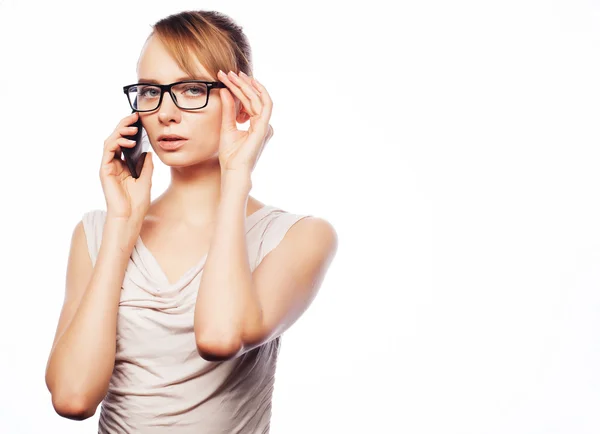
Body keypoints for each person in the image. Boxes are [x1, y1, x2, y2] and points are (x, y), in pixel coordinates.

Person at [44, 9, 338, 434]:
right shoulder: (95, 233)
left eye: (191, 89)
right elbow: (72, 398)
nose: (165, 113)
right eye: (150, 92)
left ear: (241, 100)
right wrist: (121, 229)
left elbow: (219, 337)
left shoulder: (299, 237)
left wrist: (237, 176)